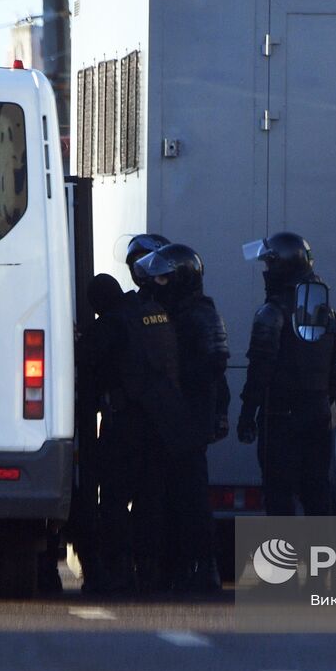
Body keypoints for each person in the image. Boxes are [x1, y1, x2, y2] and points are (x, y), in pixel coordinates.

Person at [75, 271, 183, 594]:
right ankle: (150, 572)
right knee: (151, 499)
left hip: (125, 423)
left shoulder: (108, 326)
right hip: (161, 422)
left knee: (114, 499)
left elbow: (88, 377)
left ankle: (118, 571)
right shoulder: (153, 312)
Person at [134, 243, 230, 594]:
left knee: (191, 498)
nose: (156, 284)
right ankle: (172, 568)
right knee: (169, 496)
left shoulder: (201, 313)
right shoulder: (173, 312)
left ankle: (204, 569)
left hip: (190, 419)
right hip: (175, 418)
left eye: (163, 278)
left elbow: (212, 367)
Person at [237, 232, 336, 517]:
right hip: (318, 415)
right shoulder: (326, 312)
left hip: (281, 417)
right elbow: (334, 370)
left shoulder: (272, 313)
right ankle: (324, 559)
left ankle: (283, 561)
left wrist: (247, 414)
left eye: (269, 264)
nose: (266, 272)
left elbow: (260, 369)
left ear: (282, 265)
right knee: (317, 491)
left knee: (278, 495)